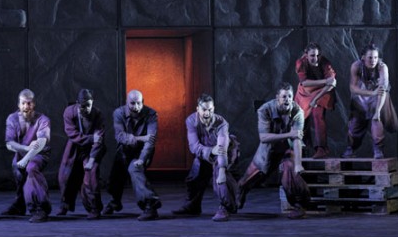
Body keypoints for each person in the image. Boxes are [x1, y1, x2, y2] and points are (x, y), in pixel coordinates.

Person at [237, 83, 311, 219]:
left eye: (290, 96)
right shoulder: (265, 110)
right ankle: (239, 195)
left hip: (286, 149)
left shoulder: (298, 112)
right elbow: (264, 138)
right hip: (268, 149)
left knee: (291, 172)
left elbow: (297, 139)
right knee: (249, 178)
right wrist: (289, 134)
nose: (287, 100)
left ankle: (299, 206)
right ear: (277, 98)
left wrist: (298, 164)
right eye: (284, 97)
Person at [172, 94, 240, 222]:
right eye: (204, 109)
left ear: (213, 108)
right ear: (198, 109)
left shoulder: (221, 123)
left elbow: (222, 149)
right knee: (195, 175)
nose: (207, 113)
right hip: (206, 152)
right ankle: (192, 206)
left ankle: (225, 207)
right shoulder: (191, 121)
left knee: (220, 178)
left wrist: (222, 170)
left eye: (210, 109)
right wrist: (210, 150)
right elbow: (194, 146)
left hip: (224, 153)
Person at [104, 90, 161, 221]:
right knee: (115, 178)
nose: (136, 107)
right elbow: (120, 136)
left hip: (141, 152)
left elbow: (150, 142)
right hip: (124, 150)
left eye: (139, 103)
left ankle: (150, 205)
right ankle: (115, 201)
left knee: (135, 169)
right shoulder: (119, 113)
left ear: (143, 102)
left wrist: (142, 159)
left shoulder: (151, 114)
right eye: (132, 103)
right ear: (127, 103)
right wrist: (141, 138)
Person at [3, 89, 53, 223]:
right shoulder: (12, 119)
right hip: (22, 153)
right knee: (18, 172)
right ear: (18, 105)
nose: (26, 106)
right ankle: (20, 203)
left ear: (34, 104)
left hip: (39, 155)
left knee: (31, 168)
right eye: (23, 103)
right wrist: (25, 149)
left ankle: (40, 208)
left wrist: (26, 158)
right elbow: (9, 143)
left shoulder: (43, 120)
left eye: (29, 103)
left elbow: (41, 143)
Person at [343, 42, 398, 160]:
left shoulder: (382, 67)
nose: (373, 60)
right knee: (355, 125)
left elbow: (382, 90)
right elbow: (353, 88)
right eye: (370, 58)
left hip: (378, 98)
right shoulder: (356, 66)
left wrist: (378, 111)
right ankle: (351, 148)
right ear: (363, 57)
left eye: (375, 57)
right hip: (361, 95)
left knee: (376, 121)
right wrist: (370, 93)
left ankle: (378, 149)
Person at [57, 88, 105, 220]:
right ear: (78, 104)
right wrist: (91, 138)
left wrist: (92, 159)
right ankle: (65, 204)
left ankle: (94, 208)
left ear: (92, 102)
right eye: (83, 106)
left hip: (91, 149)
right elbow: (72, 134)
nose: (86, 109)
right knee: (64, 176)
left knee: (91, 176)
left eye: (89, 105)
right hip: (74, 147)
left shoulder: (97, 114)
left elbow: (99, 139)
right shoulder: (69, 112)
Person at [295, 42, 338, 159]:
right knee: (300, 117)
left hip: (322, 91)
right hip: (305, 92)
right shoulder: (301, 63)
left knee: (318, 116)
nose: (315, 58)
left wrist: (316, 98)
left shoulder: (325, 63)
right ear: (306, 55)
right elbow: (304, 83)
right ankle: (303, 146)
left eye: (317, 55)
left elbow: (332, 84)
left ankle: (322, 148)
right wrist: (325, 81)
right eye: (312, 55)